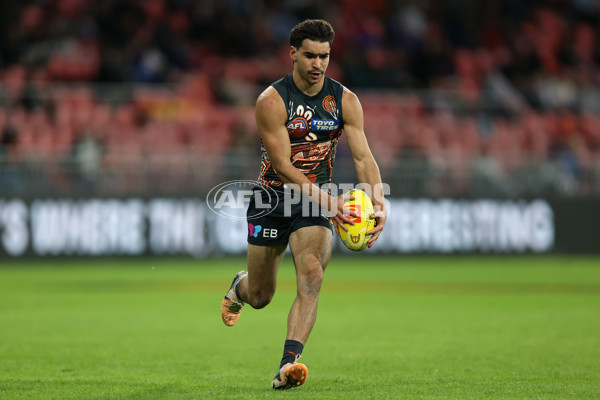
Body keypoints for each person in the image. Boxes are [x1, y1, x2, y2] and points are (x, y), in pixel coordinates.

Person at [220, 19, 387, 390]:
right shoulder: (271, 101)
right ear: (292, 53)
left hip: (315, 202)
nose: (318, 64)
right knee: (262, 296)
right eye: (310, 55)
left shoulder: (345, 101)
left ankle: (288, 364)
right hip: (272, 197)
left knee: (311, 276)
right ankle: (240, 287)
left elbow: (363, 158)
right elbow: (283, 166)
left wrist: (378, 202)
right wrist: (331, 202)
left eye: (325, 56)